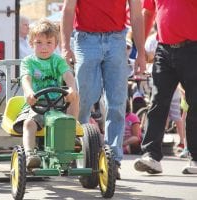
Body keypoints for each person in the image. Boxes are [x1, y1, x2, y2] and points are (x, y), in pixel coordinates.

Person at [60, 0, 146, 179]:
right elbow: (68, 10)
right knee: (83, 101)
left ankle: (113, 161)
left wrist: (140, 54)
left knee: (116, 103)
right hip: (85, 40)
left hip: (117, 40)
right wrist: (65, 47)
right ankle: (78, 153)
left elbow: (137, 15)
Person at [134, 0, 197, 174]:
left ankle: (196, 157)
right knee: (157, 101)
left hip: (193, 49)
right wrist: (140, 49)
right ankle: (151, 156)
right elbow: (147, 13)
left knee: (195, 103)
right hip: (163, 50)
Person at [13, 19, 79, 169]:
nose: (44, 47)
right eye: (39, 43)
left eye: (49, 43)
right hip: (37, 104)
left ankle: (71, 133)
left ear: (56, 44)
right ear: (31, 44)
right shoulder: (28, 62)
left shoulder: (58, 61)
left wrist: (71, 88)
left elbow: (68, 74)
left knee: (75, 95)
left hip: (57, 105)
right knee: (29, 123)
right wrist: (29, 92)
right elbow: (26, 78)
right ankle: (30, 154)